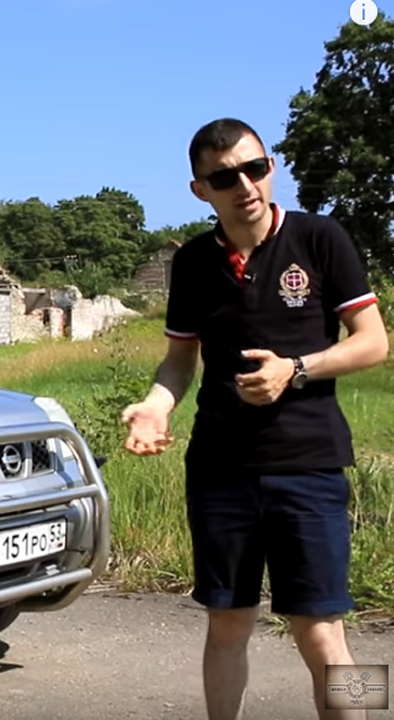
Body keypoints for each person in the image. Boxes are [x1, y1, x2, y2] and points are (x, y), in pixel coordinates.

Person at [120, 117, 389, 720]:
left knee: (323, 633)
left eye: (255, 168)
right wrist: (154, 407)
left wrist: (295, 368)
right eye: (224, 177)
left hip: (310, 465)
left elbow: (374, 342)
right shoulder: (191, 262)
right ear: (201, 190)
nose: (244, 185)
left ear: (271, 168)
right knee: (226, 624)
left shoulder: (321, 239)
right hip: (221, 472)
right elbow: (178, 363)